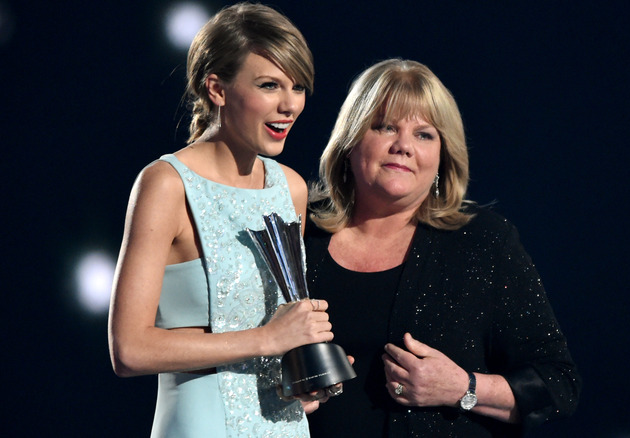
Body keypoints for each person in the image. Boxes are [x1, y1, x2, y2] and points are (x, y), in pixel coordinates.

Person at [304, 59, 581, 437]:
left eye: (424, 134)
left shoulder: (484, 242)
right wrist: (281, 389)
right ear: (350, 142)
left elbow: (558, 384)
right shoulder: (300, 233)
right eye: (386, 127)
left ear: (441, 157)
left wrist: (462, 388)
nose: (403, 146)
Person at [108, 3, 336, 436]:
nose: (290, 105)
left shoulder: (290, 189)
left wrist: (302, 375)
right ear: (217, 88)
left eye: (299, 87)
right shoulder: (166, 184)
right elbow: (129, 348)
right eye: (269, 85)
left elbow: (281, 324)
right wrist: (267, 340)